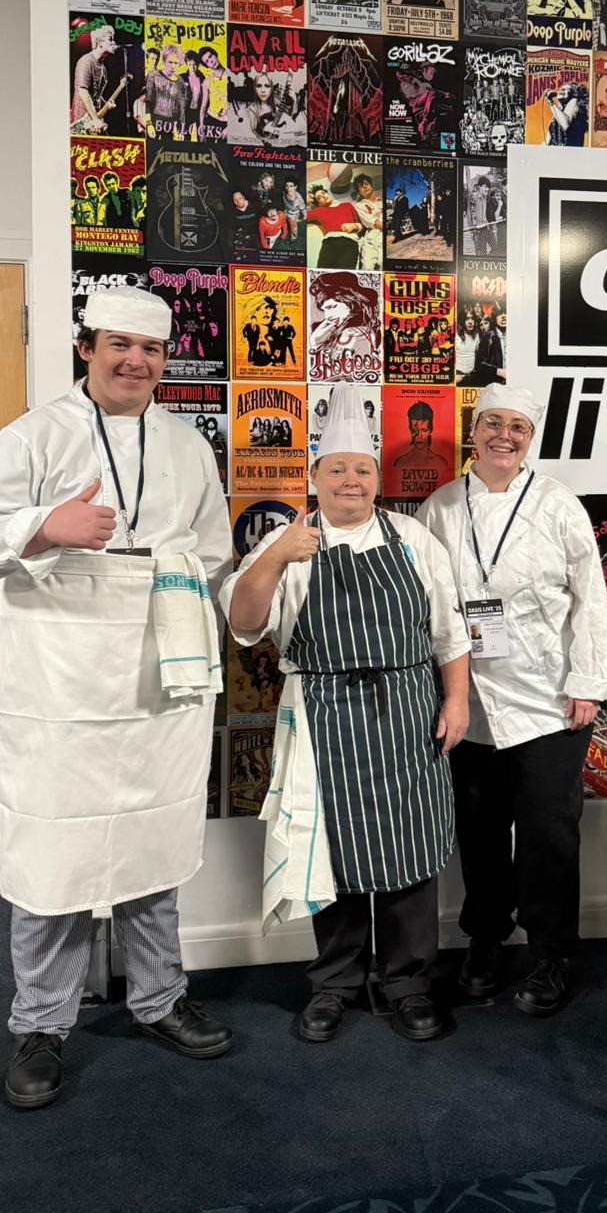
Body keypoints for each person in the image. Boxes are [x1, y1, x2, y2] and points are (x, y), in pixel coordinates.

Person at [0, 287, 234, 1110]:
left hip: (158, 668)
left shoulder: (187, 447)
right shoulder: (35, 435)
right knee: (54, 855)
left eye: (151, 349)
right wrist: (43, 526)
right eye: (118, 345)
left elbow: (210, 554)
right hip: (59, 678)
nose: (135, 361)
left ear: (166, 360)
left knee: (154, 836)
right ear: (87, 348)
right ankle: (41, 1023)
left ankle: (159, 998)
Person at [220, 385, 470, 1044]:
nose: (351, 480)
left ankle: (409, 984)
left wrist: (457, 700)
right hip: (324, 715)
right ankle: (335, 984)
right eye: (337, 469)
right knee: (328, 854)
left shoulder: (412, 538)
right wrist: (275, 556)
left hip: (406, 710)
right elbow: (244, 626)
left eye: (362, 470)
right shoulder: (288, 544)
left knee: (409, 851)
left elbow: (449, 634)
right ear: (316, 478)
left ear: (375, 479)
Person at [417, 384, 607, 1017]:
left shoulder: (559, 506)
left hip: (549, 701)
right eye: (492, 424)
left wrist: (586, 682)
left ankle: (553, 952)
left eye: (518, 428)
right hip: (468, 698)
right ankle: (484, 940)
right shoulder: (440, 507)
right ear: (473, 431)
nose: (504, 435)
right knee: (477, 831)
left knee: (547, 835)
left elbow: (591, 598)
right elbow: (424, 599)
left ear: (531, 439)